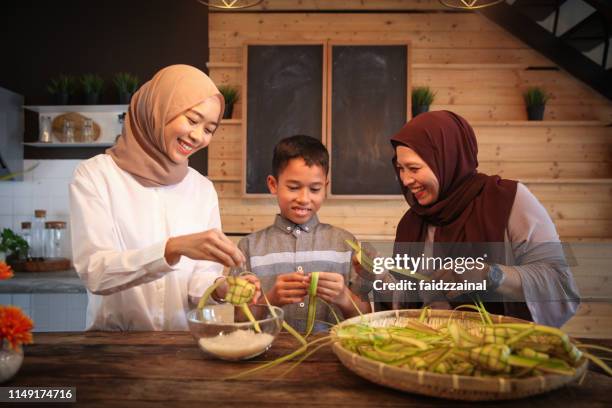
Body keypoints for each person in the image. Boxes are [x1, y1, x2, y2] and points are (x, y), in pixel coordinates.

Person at [69, 65, 254, 331]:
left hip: (181, 348)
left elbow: (201, 277)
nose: (198, 136)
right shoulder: (96, 175)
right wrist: (170, 249)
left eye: (209, 129)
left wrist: (223, 288)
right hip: (114, 348)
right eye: (192, 120)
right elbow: (96, 273)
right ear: (159, 109)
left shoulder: (201, 188)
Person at [360, 110, 579, 328]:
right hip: (432, 355)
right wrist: (379, 276)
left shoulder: (509, 200)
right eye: (400, 168)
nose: (406, 180)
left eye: (414, 168)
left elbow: (559, 284)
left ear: (448, 159)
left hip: (500, 351)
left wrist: (490, 274)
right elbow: (410, 306)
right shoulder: (412, 222)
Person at [233, 135, 371, 332]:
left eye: (315, 189)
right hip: (268, 356)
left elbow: (368, 320)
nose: (304, 198)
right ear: (273, 184)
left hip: (329, 356)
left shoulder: (346, 244)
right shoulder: (248, 247)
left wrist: (344, 297)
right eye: (293, 187)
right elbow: (240, 323)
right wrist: (270, 300)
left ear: (325, 187)